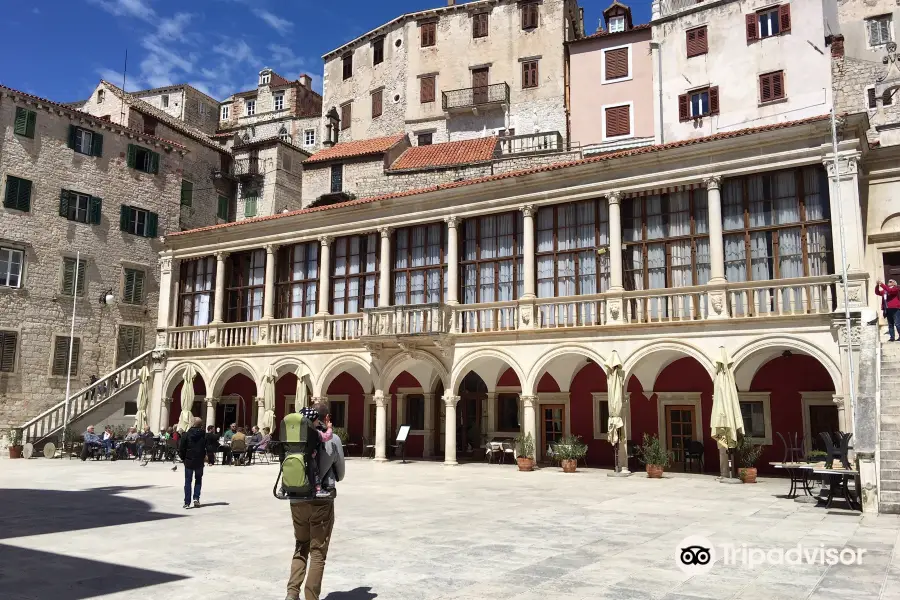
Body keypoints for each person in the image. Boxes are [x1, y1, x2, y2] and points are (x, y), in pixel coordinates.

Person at [285, 402, 345, 600]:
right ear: (326, 417)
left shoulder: (295, 438)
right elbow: (341, 474)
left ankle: (292, 594)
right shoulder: (332, 439)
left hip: (296, 498)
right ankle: (311, 597)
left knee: (301, 545)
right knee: (317, 552)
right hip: (321, 500)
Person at [300, 407, 333, 498]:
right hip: (309, 456)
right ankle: (318, 489)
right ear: (311, 421)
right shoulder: (314, 431)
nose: (318, 422)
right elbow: (326, 437)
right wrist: (329, 428)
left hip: (297, 455)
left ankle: (283, 488)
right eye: (316, 420)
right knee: (315, 472)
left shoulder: (298, 431)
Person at [179, 417, 207, 509]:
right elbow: (207, 448)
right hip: (199, 461)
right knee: (198, 480)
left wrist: (183, 458)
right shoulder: (204, 435)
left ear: (192, 423)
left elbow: (181, 449)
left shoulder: (186, 435)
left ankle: (187, 502)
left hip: (189, 460)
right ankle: (196, 498)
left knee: (188, 481)